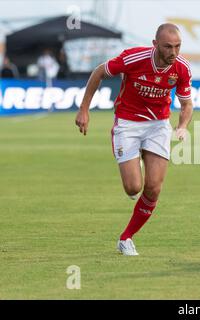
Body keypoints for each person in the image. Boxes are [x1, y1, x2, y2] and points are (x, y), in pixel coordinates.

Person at [75, 23, 193, 256]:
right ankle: (134, 158)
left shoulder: (181, 68)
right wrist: (84, 109)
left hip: (158, 125)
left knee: (153, 188)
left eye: (178, 46)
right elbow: (99, 72)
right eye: (168, 46)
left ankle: (126, 238)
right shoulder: (133, 58)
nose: (173, 52)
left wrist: (182, 126)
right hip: (127, 123)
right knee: (133, 187)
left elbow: (187, 104)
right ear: (155, 44)